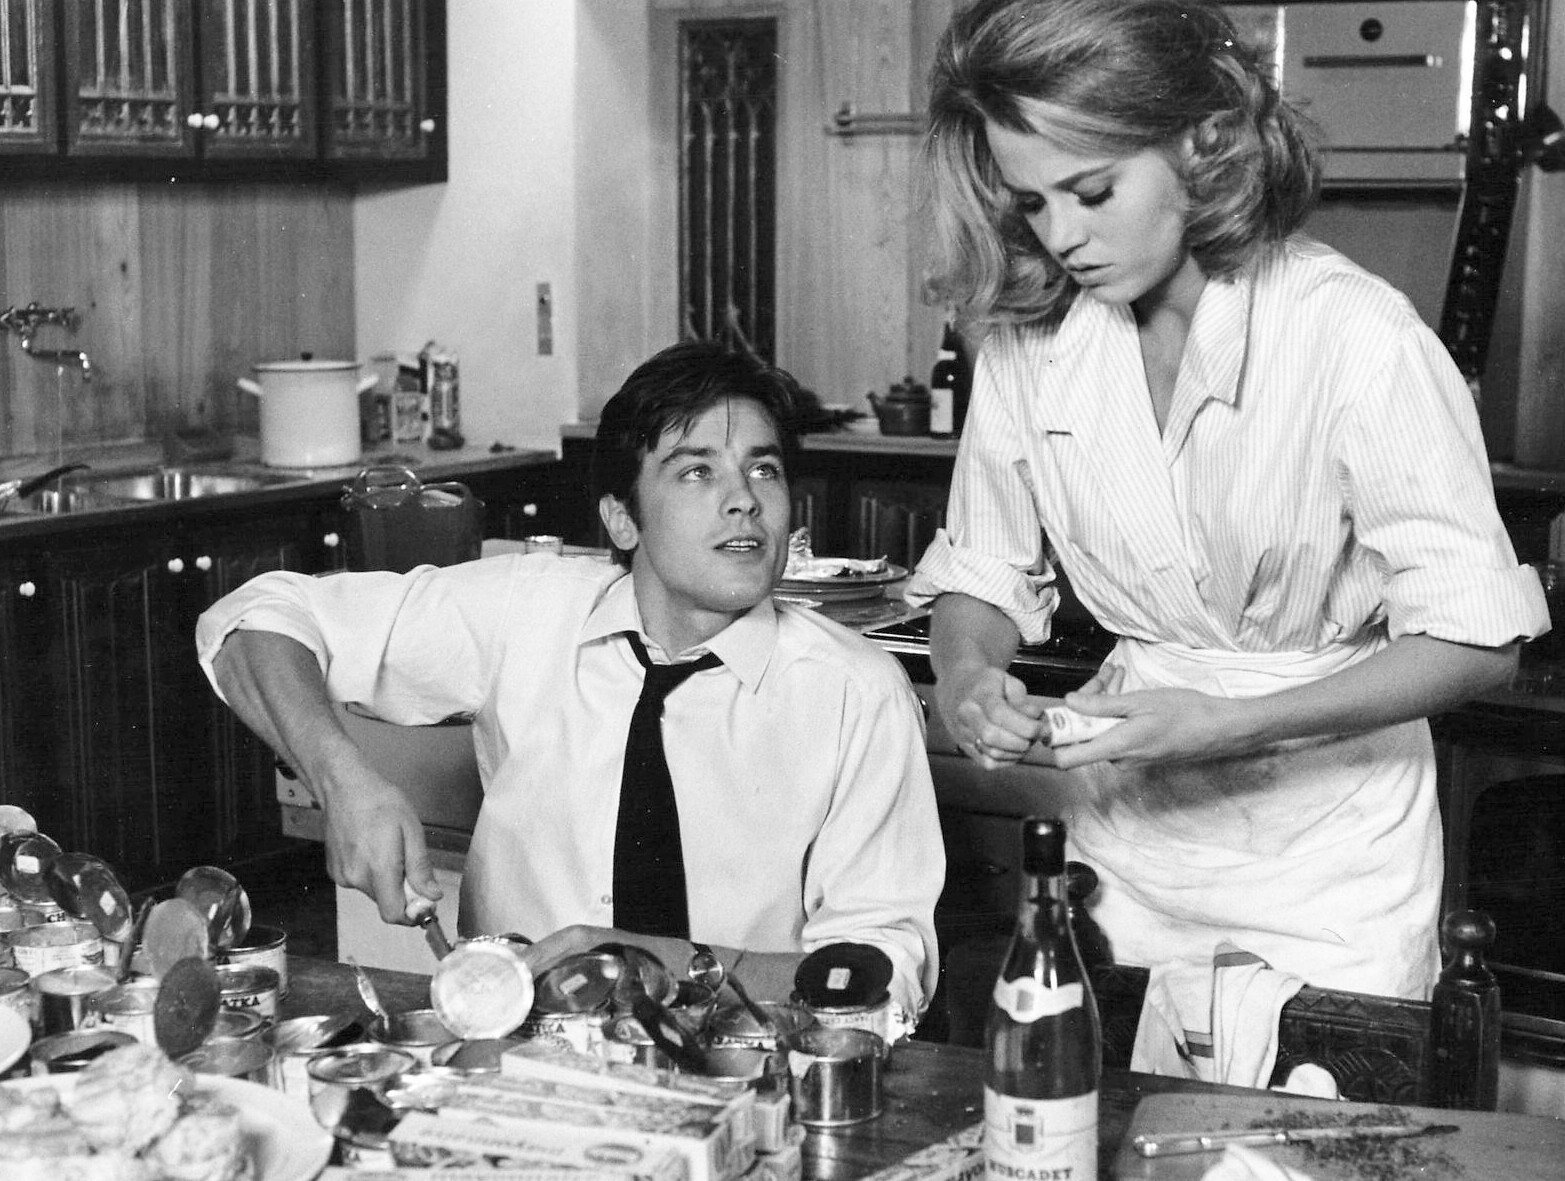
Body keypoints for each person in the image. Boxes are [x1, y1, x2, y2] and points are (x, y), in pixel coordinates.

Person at [905, 0, 1549, 999]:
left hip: (1330, 866)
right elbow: (982, 572)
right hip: (1127, 844)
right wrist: (965, 676)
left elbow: (1477, 643)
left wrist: (1227, 722)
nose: (1062, 236)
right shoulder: (1032, 343)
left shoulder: (1354, 336)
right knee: (1110, 1083)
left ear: (1202, 145)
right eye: (1031, 203)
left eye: (1092, 190)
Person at [196, 340, 943, 1021]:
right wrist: (341, 781)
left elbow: (882, 976)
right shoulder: (527, 609)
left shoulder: (856, 692)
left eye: (763, 468)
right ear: (622, 520)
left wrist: (656, 964)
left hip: (747, 1069)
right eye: (696, 470)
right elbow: (254, 619)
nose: (743, 497)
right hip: (519, 1052)